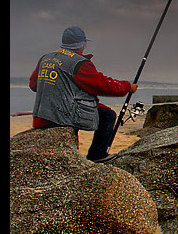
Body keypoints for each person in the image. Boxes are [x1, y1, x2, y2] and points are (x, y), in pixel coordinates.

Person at [29, 26, 138, 163]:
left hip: (41, 115)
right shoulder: (79, 63)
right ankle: (97, 155)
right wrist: (127, 86)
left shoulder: (46, 58)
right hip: (61, 116)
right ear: (82, 44)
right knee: (108, 115)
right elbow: (102, 85)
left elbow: (33, 85)